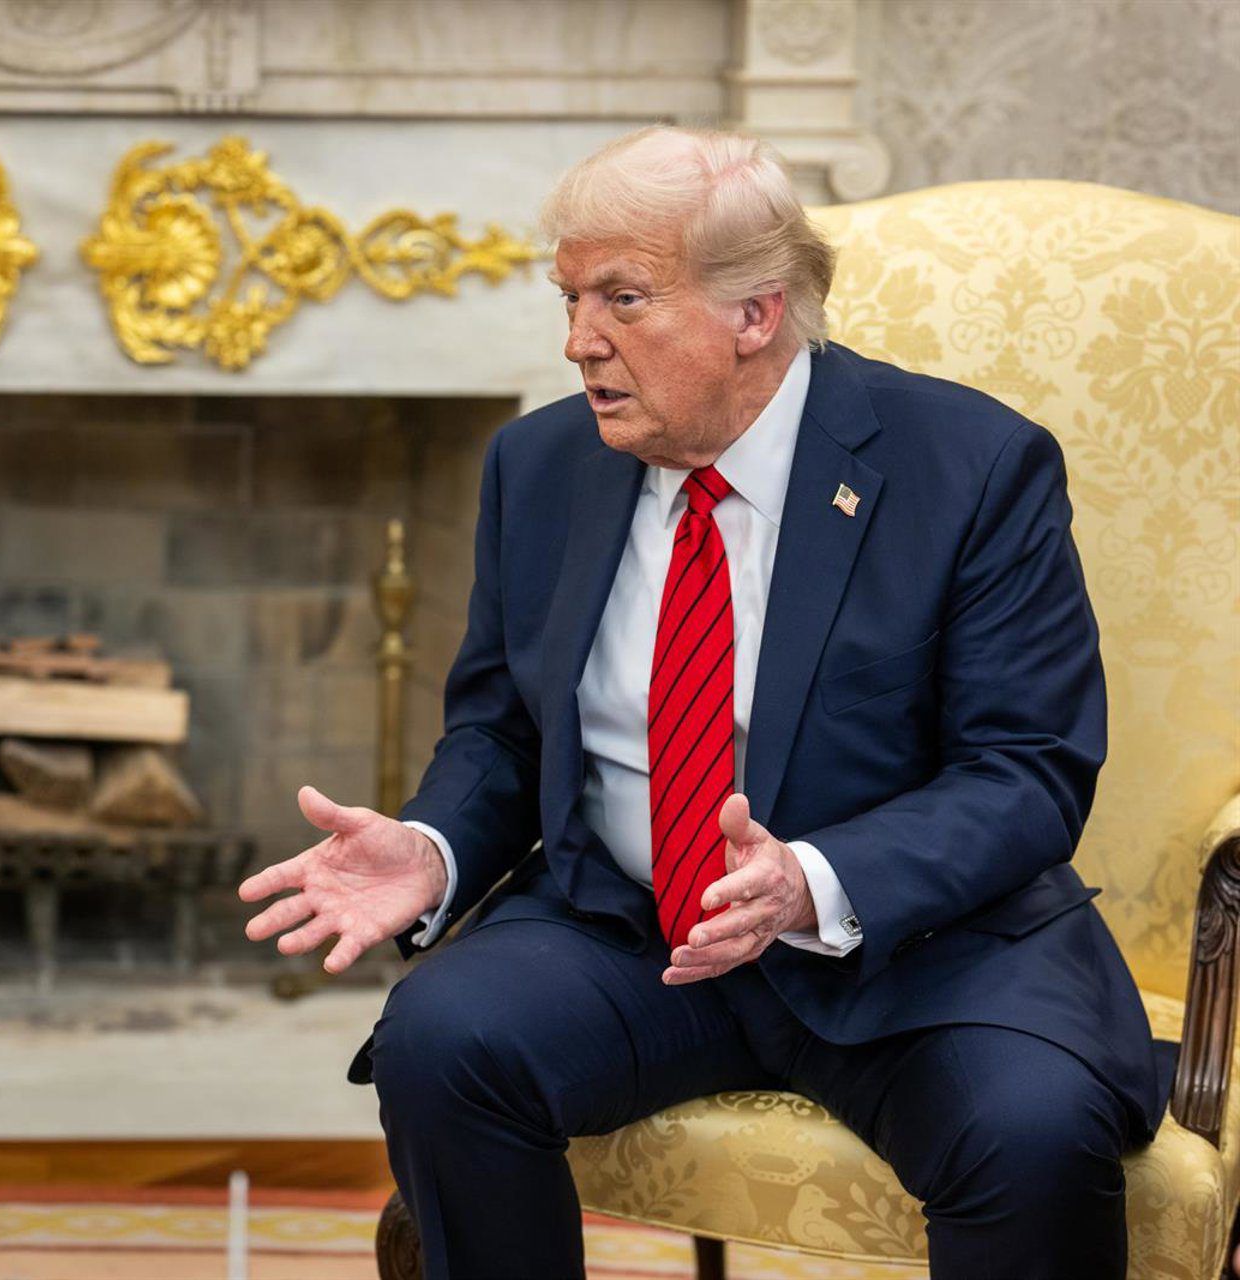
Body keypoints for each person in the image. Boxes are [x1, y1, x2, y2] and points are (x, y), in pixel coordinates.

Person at [239, 127, 1163, 1279]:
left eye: (623, 298)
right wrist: (435, 846)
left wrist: (811, 879)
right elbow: (505, 731)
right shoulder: (539, 466)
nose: (580, 339)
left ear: (756, 313)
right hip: (632, 934)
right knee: (441, 1039)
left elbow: (1026, 770)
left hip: (918, 951)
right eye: (571, 296)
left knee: (1031, 1132)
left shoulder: (970, 466)